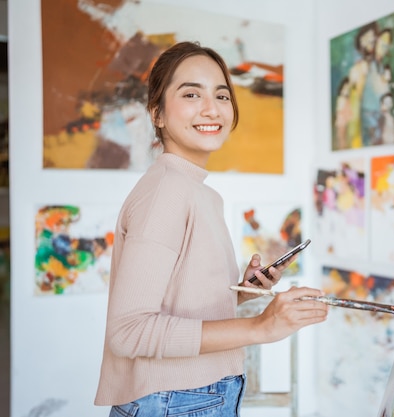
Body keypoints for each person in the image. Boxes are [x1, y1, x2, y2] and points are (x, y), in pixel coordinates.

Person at [94, 41, 328, 417]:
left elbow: (172, 303)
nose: (212, 108)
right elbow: (129, 331)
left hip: (191, 397)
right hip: (176, 401)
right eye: (191, 94)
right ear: (157, 113)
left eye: (222, 95)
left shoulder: (195, 190)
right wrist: (260, 328)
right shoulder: (168, 191)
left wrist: (240, 295)